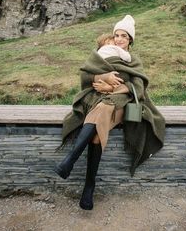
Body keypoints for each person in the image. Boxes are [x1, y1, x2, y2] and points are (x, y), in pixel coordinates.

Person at [55, 15, 165, 211]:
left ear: (130, 39)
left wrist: (112, 89)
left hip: (122, 104)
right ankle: (89, 188)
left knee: (105, 108)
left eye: (124, 36)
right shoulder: (102, 54)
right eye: (117, 35)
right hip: (95, 99)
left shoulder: (133, 60)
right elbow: (86, 74)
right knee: (96, 137)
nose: (119, 39)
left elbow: (138, 87)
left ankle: (70, 160)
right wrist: (103, 76)